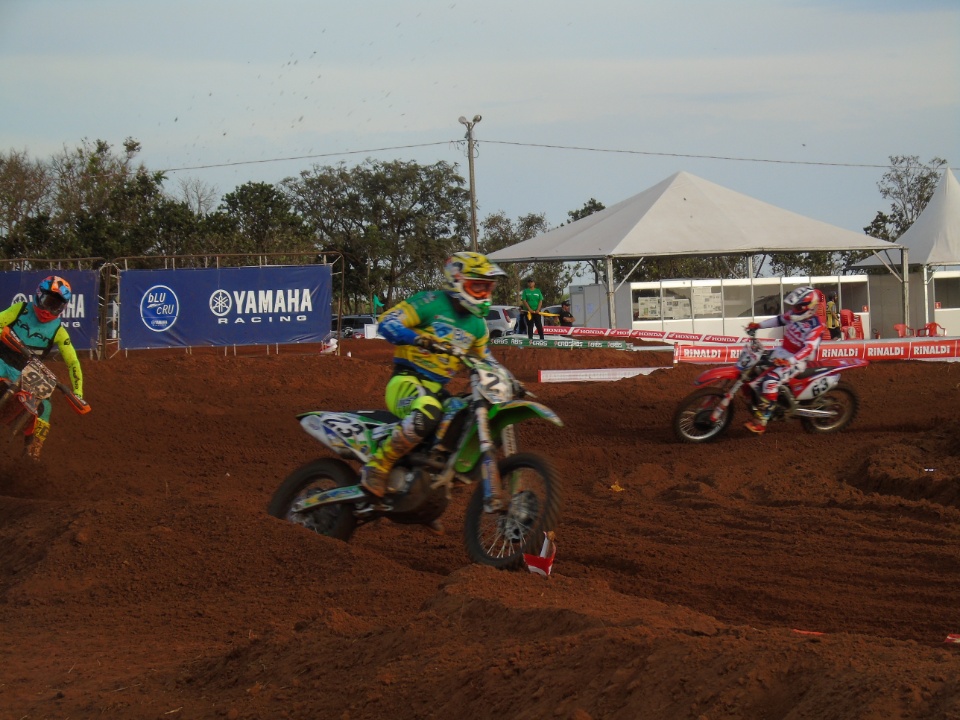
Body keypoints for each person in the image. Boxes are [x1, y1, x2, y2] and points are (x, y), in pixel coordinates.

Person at [359, 251, 508, 497]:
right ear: (457, 280)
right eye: (478, 286)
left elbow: (485, 361)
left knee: (467, 415)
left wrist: (508, 379)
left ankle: (430, 492)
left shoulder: (478, 325)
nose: (484, 294)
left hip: (438, 390)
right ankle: (378, 466)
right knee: (428, 410)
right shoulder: (430, 302)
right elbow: (387, 322)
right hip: (406, 380)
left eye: (487, 288)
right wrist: (419, 339)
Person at [0, 276, 84, 459]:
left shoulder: (59, 332)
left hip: (25, 370)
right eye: (48, 302)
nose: (49, 310)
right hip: (1, 357)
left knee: (45, 406)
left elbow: (73, 362)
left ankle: (32, 451)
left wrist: (78, 392)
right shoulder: (21, 309)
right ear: (39, 295)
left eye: (56, 306)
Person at [744, 286, 822, 435]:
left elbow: (808, 349)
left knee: (770, 381)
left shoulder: (816, 327)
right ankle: (757, 399)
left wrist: (791, 361)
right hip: (781, 352)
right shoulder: (795, 315)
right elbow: (778, 320)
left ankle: (761, 422)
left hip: (797, 361)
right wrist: (758, 325)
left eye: (799, 306)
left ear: (810, 307)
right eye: (795, 306)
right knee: (754, 365)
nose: (795, 309)